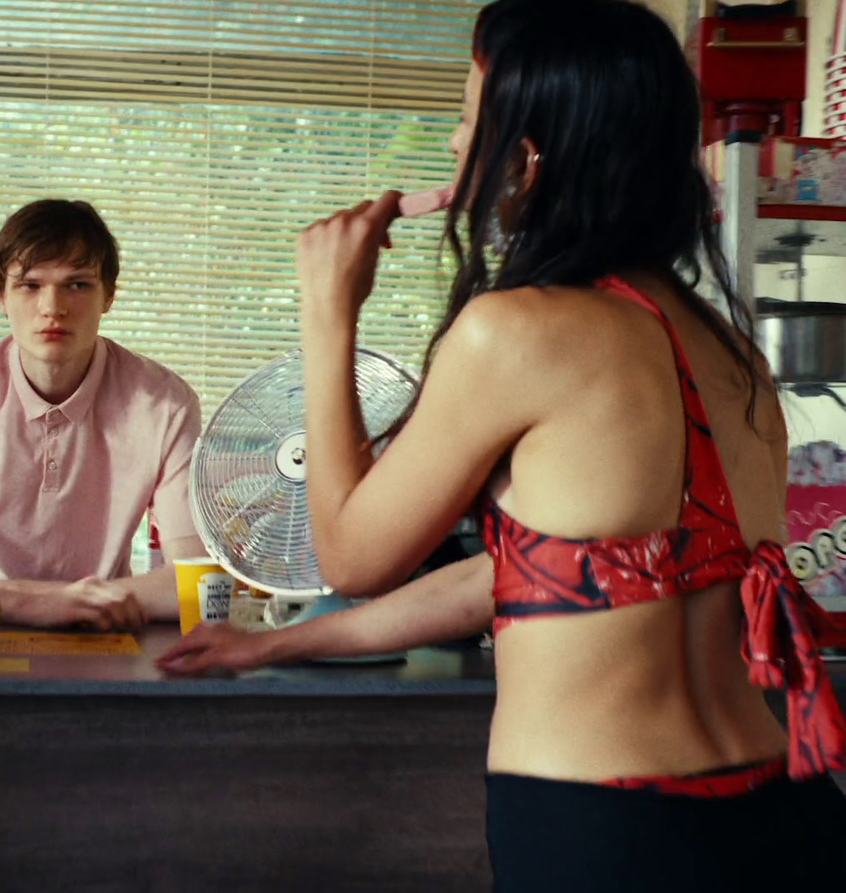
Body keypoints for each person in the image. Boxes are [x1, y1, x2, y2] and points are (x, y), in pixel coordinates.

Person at [161, 1, 846, 889]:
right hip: (784, 814)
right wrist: (278, 644)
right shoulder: (729, 351)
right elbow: (551, 571)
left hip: (611, 828)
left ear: (525, 160)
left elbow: (349, 551)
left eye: (468, 118)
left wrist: (329, 312)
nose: (453, 144)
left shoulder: (515, 332)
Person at [0, 199, 207, 630]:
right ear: (1, 296)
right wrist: (28, 602)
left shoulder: (165, 403)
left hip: (102, 624)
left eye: (78, 285)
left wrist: (80, 602)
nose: (52, 307)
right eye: (31, 285)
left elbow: (198, 579)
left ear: (109, 295)